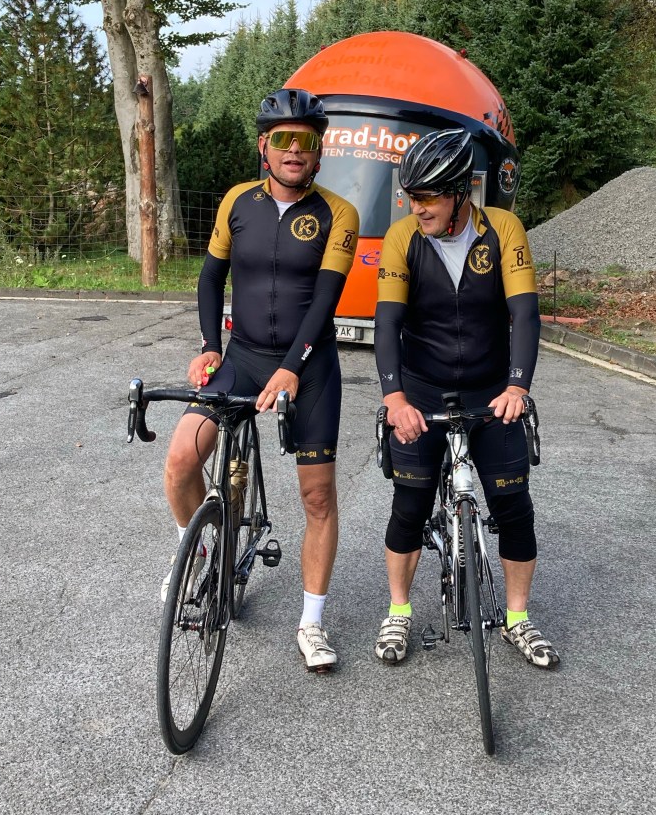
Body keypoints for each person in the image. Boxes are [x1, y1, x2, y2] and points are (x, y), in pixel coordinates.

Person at [161, 88, 359, 672]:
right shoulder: (237, 202)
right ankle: (200, 554)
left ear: (319, 152)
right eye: (282, 139)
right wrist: (209, 346)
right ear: (263, 148)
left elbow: (325, 301)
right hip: (242, 357)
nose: (294, 149)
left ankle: (312, 623)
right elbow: (210, 277)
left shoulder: (338, 213)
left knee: (317, 497)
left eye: (306, 140)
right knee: (180, 462)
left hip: (310, 365)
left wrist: (292, 368)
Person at [373, 128, 559, 668]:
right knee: (409, 505)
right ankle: (399, 611)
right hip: (421, 390)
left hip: (491, 390)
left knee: (513, 507)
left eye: (427, 196)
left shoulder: (502, 229)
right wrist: (395, 397)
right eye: (410, 195)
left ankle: (518, 619)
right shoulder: (403, 237)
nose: (416, 206)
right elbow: (387, 323)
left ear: (459, 192)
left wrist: (518, 387)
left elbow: (524, 313)